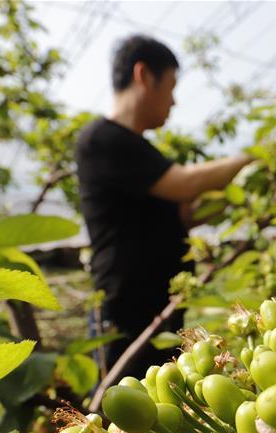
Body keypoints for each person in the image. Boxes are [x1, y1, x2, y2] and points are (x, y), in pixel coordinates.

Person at [76, 34, 253, 383]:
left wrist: (247, 196)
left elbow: (185, 213)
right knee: (117, 413)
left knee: (161, 410)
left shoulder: (143, 153)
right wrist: (251, 159)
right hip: (125, 317)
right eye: (171, 86)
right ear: (144, 75)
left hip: (162, 313)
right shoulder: (103, 138)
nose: (174, 101)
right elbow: (185, 183)